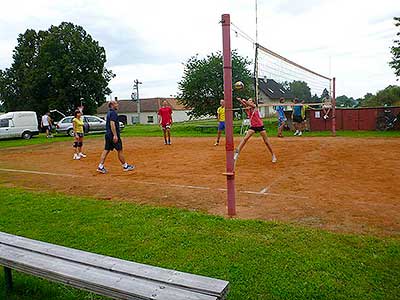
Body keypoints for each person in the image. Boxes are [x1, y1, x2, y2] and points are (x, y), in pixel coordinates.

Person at [97, 100, 135, 174]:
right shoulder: (113, 113)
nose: (117, 105)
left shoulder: (109, 113)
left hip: (108, 134)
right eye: (116, 104)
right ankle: (125, 166)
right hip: (112, 135)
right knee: (120, 150)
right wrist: (115, 135)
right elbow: (112, 124)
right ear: (112, 105)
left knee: (106, 150)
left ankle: (100, 166)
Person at [234, 97, 277, 163]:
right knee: (245, 139)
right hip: (253, 127)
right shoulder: (248, 109)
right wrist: (240, 100)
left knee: (266, 142)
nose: (249, 102)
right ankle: (237, 152)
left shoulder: (255, 107)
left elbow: (248, 104)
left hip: (260, 126)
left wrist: (245, 101)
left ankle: (273, 155)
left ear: (253, 102)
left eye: (250, 101)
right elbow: (245, 105)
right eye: (249, 101)